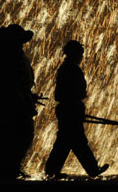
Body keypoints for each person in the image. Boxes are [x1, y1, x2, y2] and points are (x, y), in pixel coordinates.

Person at [0, 24, 42, 178]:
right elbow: (7, 83)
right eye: (20, 40)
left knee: (7, 139)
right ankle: (1, 172)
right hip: (8, 107)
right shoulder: (4, 56)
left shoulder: (9, 54)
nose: (23, 44)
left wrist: (28, 95)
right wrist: (22, 97)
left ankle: (4, 170)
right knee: (12, 137)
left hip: (11, 105)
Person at [45, 40, 108, 178]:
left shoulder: (66, 68)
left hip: (68, 108)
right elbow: (68, 92)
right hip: (71, 109)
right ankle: (92, 170)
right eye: (80, 53)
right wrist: (78, 101)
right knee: (77, 142)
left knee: (65, 142)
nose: (82, 57)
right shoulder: (71, 69)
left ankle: (51, 170)